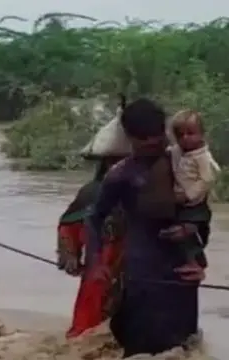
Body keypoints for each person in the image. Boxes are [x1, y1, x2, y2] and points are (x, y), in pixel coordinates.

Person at [85, 98, 206, 357]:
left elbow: (199, 214)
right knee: (141, 347)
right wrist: (96, 262)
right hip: (142, 274)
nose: (154, 144)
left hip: (181, 273)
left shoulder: (185, 165)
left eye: (158, 136)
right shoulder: (121, 175)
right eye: (145, 140)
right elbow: (94, 217)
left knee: (184, 348)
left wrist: (198, 259)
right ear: (130, 137)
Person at [57, 157, 124, 338]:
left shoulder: (153, 190)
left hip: (138, 275)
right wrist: (70, 254)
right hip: (98, 273)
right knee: (86, 333)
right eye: (114, 162)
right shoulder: (92, 192)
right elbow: (68, 225)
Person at [161, 109, 219, 268]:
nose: (185, 138)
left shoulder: (202, 157)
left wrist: (188, 195)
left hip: (195, 204)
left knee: (189, 231)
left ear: (201, 134)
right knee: (174, 232)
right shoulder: (177, 151)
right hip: (179, 201)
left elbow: (208, 178)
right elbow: (167, 153)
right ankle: (189, 259)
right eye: (180, 134)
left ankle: (196, 260)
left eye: (190, 133)